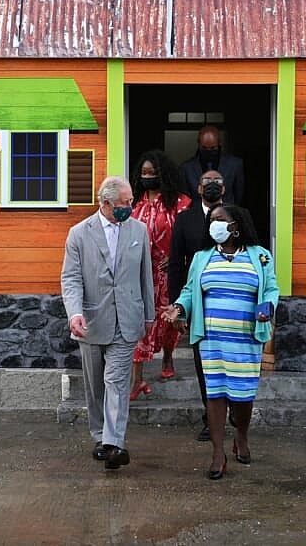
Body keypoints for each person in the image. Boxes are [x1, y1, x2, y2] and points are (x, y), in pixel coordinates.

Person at [162, 205, 278, 480]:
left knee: (243, 396)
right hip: (212, 338)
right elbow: (189, 290)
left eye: (220, 219)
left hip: (246, 338)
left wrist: (268, 307)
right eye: (211, 220)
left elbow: (271, 288)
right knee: (214, 394)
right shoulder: (202, 257)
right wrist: (178, 308)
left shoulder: (260, 255)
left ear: (235, 225)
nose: (214, 224)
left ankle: (241, 436)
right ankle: (217, 453)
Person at [61, 176, 155, 470]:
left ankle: (114, 443)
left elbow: (146, 276)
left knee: (116, 381)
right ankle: (100, 435)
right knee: (95, 386)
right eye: (125, 203)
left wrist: (149, 315)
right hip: (91, 320)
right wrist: (74, 313)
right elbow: (71, 278)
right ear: (105, 203)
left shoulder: (139, 230)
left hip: (127, 319)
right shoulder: (79, 234)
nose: (131, 206)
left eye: (131, 201)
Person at [129, 150, 192, 400]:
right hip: (140, 273)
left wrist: (177, 258)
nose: (148, 177)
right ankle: (137, 379)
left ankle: (167, 357)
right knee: (139, 322)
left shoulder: (181, 203)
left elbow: (188, 236)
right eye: (144, 173)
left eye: (152, 173)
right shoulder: (134, 202)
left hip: (168, 272)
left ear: (163, 174)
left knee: (168, 320)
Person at [168, 169, 225, 442]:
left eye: (217, 181)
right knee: (204, 364)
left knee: (231, 363)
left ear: (224, 189)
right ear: (199, 188)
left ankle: (234, 412)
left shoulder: (236, 215)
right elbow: (176, 265)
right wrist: (178, 307)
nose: (212, 185)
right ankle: (210, 419)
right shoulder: (185, 219)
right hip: (198, 303)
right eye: (207, 182)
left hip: (230, 302)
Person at [179, 125, 244, 206]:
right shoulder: (187, 168)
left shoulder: (235, 165)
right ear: (198, 144)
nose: (208, 151)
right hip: (197, 211)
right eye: (204, 148)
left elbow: (238, 195)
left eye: (213, 148)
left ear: (219, 143)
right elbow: (185, 198)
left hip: (226, 211)